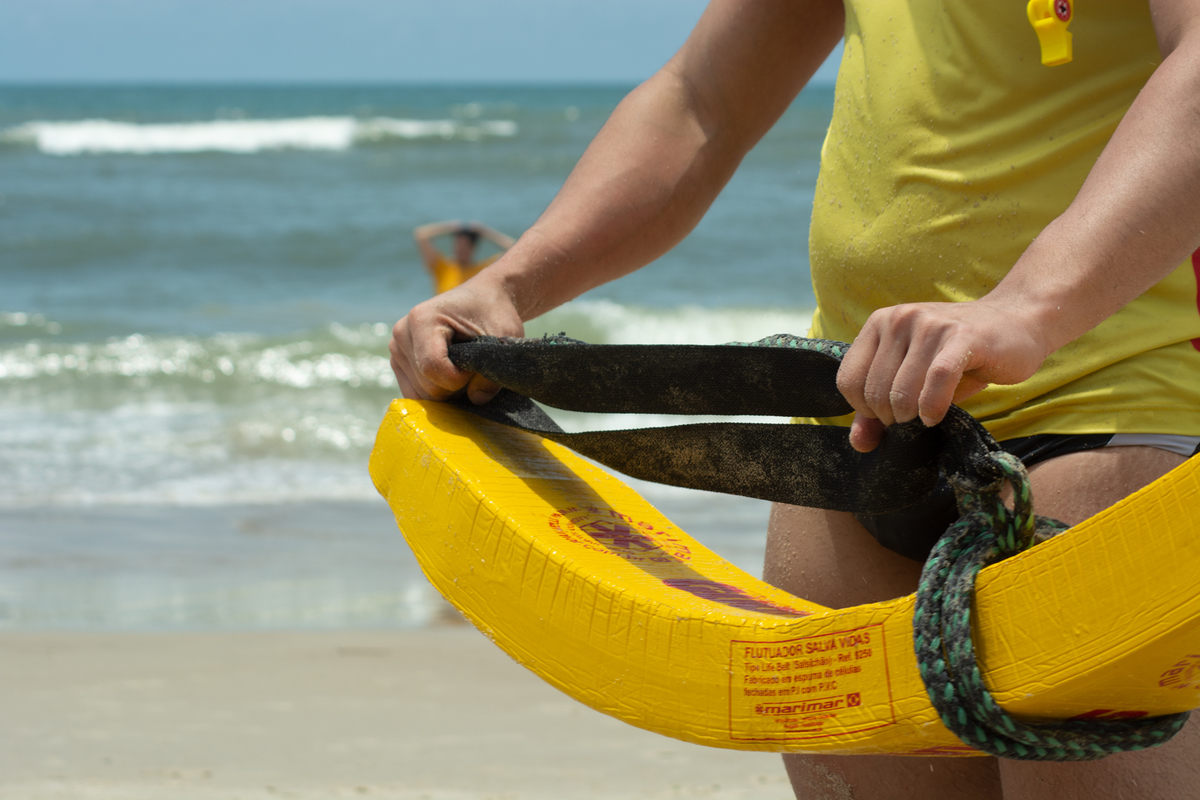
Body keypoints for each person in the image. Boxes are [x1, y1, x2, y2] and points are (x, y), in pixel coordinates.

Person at [389, 1, 1200, 797]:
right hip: (853, 429)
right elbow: (701, 101)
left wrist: (1028, 308)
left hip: (1111, 409)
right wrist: (511, 283)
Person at [413, 220, 516, 295]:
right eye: (458, 245)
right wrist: (451, 226)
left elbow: (514, 249)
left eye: (464, 247)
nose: (460, 250)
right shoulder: (442, 267)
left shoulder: (482, 270)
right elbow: (421, 234)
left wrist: (485, 232)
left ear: (473, 248)